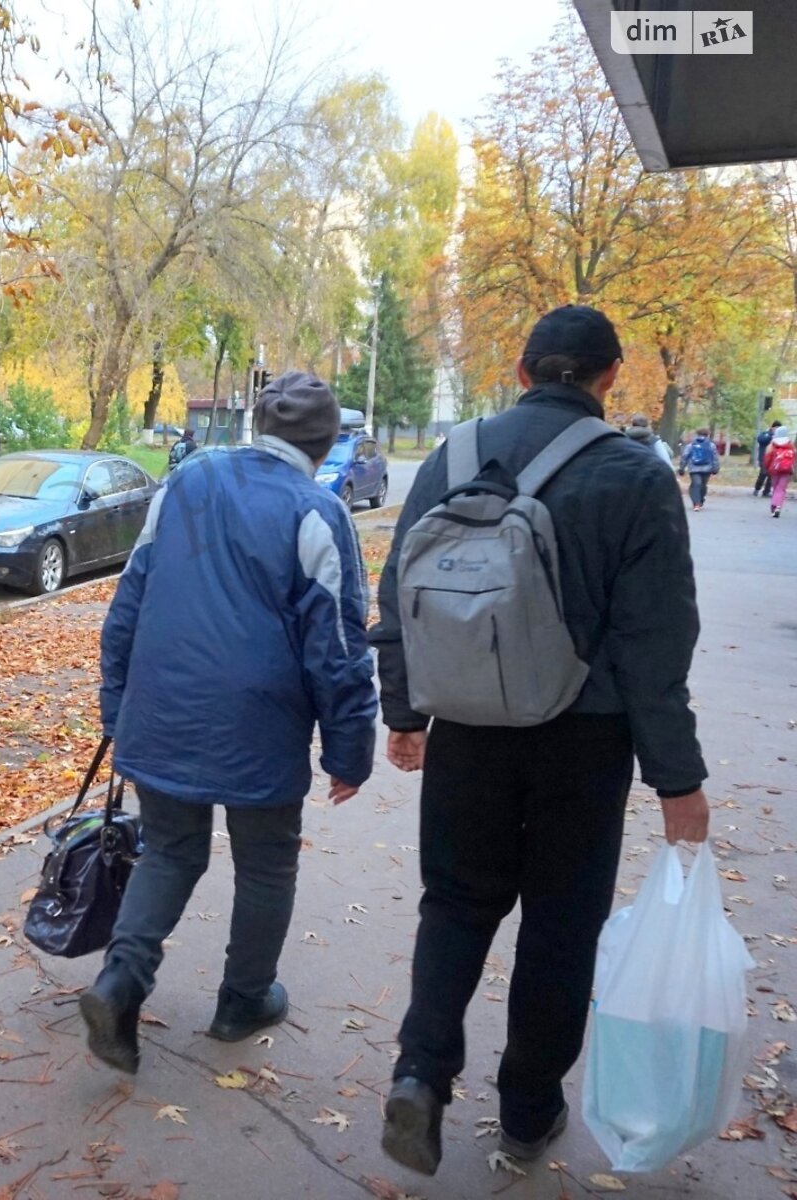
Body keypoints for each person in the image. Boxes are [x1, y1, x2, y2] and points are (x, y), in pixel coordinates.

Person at [371, 305, 710, 1175]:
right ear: (607, 379)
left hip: (469, 730)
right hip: (584, 741)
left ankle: (420, 1073)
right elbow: (655, 644)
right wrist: (678, 780)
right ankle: (526, 1113)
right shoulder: (635, 476)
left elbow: (399, 595)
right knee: (561, 925)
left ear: (522, 372)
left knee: (453, 902)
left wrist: (405, 714)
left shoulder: (451, 457)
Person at [78, 372, 376, 1073]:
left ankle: (120, 981)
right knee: (266, 863)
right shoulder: (317, 511)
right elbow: (337, 647)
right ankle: (243, 1000)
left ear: (256, 425)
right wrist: (348, 751)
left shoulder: (186, 485)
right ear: (326, 441)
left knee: (171, 850)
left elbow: (129, 599)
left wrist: (116, 704)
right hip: (258, 725)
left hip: (162, 708)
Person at [680, 427, 720, 511]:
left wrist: (682, 468)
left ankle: (696, 503)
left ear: (697, 434)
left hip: (694, 468)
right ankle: (700, 500)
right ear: (707, 435)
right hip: (707, 469)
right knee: (703, 485)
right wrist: (715, 468)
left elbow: (685, 456)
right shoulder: (711, 445)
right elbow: (715, 457)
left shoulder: (691, 445)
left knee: (695, 484)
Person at [767, 426, 794, 518]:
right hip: (786, 470)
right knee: (781, 489)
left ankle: (774, 506)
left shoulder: (773, 443)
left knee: (775, 487)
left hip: (775, 469)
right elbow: (794, 456)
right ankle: (778, 506)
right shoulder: (790, 444)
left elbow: (768, 457)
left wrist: (767, 468)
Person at [754, 417, 781, 498]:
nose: (777, 430)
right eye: (776, 428)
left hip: (774, 458)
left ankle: (766, 491)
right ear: (773, 427)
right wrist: (771, 436)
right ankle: (757, 488)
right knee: (763, 473)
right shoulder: (766, 434)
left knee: (771, 475)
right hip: (764, 457)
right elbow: (760, 440)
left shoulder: (779, 437)